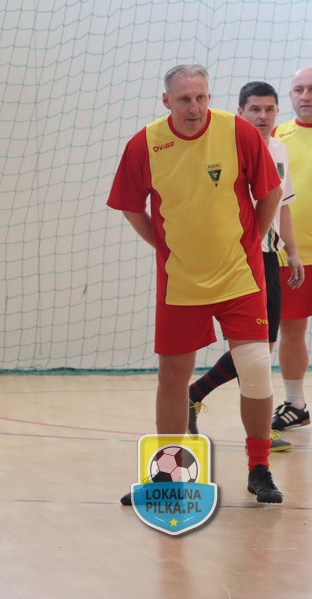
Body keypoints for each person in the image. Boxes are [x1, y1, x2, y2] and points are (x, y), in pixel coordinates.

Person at [108, 65, 284, 505]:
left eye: (201, 98)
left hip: (239, 275)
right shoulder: (145, 144)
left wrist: (252, 240)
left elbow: (270, 193)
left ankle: (259, 468)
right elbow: (130, 206)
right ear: (166, 101)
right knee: (172, 377)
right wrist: (163, 246)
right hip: (181, 281)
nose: (194, 107)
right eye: (184, 99)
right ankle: (167, 477)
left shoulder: (238, 133)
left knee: (255, 368)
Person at [187, 81, 303, 452]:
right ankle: (259, 430)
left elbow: (283, 205)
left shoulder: (279, 148)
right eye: (255, 109)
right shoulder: (225, 148)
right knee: (252, 347)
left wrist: (292, 252)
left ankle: (195, 393)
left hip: (268, 258)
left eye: (269, 109)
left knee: (261, 346)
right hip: (234, 258)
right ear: (240, 112)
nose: (262, 116)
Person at [271, 67, 312, 431]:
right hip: (293, 257)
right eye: (299, 89)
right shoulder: (277, 136)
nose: (306, 96)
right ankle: (296, 404)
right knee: (292, 331)